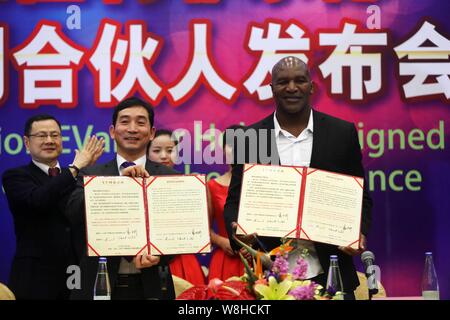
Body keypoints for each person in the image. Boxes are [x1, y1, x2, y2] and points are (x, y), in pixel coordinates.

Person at [223, 57, 373, 300]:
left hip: (332, 270)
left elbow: (360, 197)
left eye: (299, 80)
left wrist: (358, 233)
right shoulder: (251, 138)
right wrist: (236, 230)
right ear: (271, 89)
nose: (291, 87)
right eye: (283, 82)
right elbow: (234, 202)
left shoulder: (341, 133)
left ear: (311, 87)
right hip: (272, 277)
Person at [66, 97, 177, 300]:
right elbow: (73, 213)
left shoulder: (170, 178)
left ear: (152, 132)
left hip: (153, 285)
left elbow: (179, 231)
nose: (132, 129)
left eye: (141, 122)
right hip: (96, 284)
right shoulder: (91, 174)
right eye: (125, 122)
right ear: (112, 131)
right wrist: (114, 188)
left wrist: (161, 255)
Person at [2, 114, 104, 300]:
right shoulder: (15, 176)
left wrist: (84, 173)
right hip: (35, 274)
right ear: (26, 142)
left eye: (55, 135)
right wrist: (75, 168)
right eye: (41, 136)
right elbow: (39, 200)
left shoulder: (75, 175)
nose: (49, 140)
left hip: (75, 272)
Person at [147, 129, 205, 286]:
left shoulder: (189, 185)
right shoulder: (138, 185)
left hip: (182, 260)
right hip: (147, 262)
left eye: (170, 150)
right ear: (146, 154)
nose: (164, 156)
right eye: (157, 150)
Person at [207, 125, 245, 281]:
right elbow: (203, 230)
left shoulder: (260, 183)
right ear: (223, 150)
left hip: (257, 260)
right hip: (224, 261)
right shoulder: (212, 185)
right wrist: (222, 241)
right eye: (230, 145)